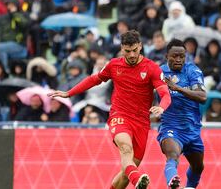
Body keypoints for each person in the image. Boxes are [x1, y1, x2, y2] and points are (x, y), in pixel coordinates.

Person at [48, 30, 171, 189]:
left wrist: (162, 107)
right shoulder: (114, 65)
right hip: (119, 115)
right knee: (126, 149)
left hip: (141, 122)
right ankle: (138, 180)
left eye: (134, 50)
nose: (132, 54)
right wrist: (69, 93)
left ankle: (133, 176)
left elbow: (165, 93)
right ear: (121, 48)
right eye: (128, 51)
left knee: (125, 175)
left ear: (140, 46)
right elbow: (94, 80)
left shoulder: (152, 68)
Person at [158, 39, 206, 188]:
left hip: (192, 129)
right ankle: (172, 180)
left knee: (198, 167)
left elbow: (202, 96)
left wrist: (177, 88)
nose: (178, 60)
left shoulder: (192, 71)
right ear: (167, 56)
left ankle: (190, 187)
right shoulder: (159, 72)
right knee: (172, 155)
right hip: (171, 127)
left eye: (182, 56)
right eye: (174, 56)